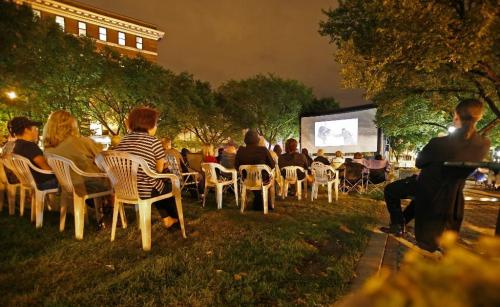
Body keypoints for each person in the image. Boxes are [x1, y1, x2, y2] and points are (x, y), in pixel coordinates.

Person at [414, 99, 490, 252]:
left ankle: (401, 226)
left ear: (456, 117)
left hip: (429, 196)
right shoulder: (483, 144)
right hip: (454, 200)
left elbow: (419, 163)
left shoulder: (437, 143)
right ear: (479, 118)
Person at [115, 107, 179, 229]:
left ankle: (167, 218)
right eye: (156, 124)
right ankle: (175, 222)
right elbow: (159, 170)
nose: (156, 127)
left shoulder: (123, 141)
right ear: (148, 124)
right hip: (145, 190)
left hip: (123, 189)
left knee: (156, 184)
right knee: (170, 185)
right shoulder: (153, 141)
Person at [43, 110, 109, 196]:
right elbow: (104, 158)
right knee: (114, 177)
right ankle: (112, 206)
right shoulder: (81, 142)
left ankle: (105, 204)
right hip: (86, 186)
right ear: (71, 125)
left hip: (64, 187)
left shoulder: (48, 149)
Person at [10, 116, 58, 190]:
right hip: (42, 183)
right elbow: (46, 168)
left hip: (30, 181)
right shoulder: (29, 146)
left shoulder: (17, 145)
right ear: (26, 130)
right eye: (35, 129)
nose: (37, 131)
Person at [235, 130, 275, 210]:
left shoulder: (240, 150)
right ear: (257, 140)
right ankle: (270, 204)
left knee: (252, 181)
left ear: (245, 140)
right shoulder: (263, 150)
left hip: (246, 180)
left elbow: (236, 166)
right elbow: (272, 165)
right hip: (263, 181)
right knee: (272, 180)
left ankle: (255, 200)